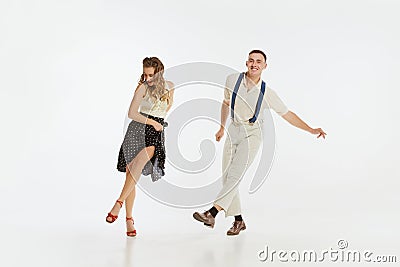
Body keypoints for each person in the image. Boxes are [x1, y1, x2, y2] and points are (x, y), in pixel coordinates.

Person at [193, 49, 326, 235]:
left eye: (258, 61)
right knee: (227, 177)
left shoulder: (267, 93)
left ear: (265, 66)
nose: (254, 64)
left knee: (235, 176)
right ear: (246, 62)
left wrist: (311, 129)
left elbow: (287, 115)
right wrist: (222, 127)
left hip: (252, 134)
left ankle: (212, 212)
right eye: (251, 60)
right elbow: (225, 103)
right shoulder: (232, 80)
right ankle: (238, 221)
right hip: (233, 130)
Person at [106, 57, 174, 237]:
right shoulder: (142, 87)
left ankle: (118, 203)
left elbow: (166, 108)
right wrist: (152, 121)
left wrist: (157, 122)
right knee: (131, 172)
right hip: (138, 129)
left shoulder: (170, 86)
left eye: (151, 75)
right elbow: (132, 113)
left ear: (159, 72)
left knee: (139, 165)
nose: (147, 78)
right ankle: (129, 219)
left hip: (154, 133)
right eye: (145, 74)